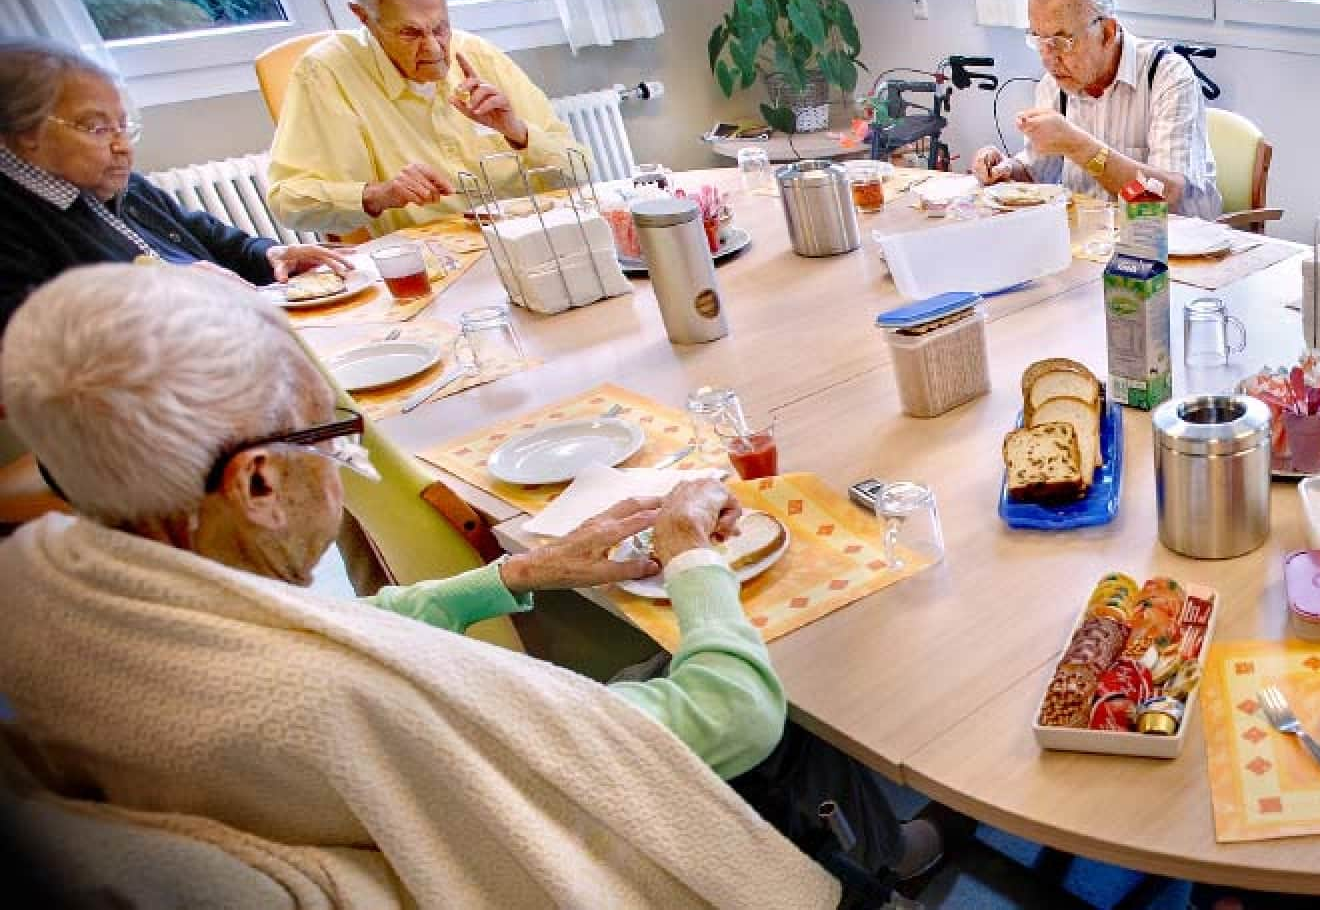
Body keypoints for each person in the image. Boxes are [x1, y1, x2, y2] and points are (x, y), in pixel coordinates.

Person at [0, 265, 935, 906]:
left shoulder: (44, 588)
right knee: (792, 727)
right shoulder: (340, 705)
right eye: (331, 436)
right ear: (255, 485)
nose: (344, 460)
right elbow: (730, 715)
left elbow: (345, 630)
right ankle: (871, 865)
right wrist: (690, 551)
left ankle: (876, 836)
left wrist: (519, 572)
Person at [0, 37, 351, 333]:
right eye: (98, 128)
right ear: (28, 131)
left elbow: (212, 237)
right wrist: (172, 291)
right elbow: (41, 353)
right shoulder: (15, 222)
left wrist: (270, 254)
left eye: (124, 126)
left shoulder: (120, 184)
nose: (123, 146)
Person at [265, 0, 582, 237]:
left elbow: (580, 170)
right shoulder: (326, 72)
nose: (433, 48)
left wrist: (518, 133)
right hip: (437, 260)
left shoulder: (476, 53)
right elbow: (288, 200)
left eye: (440, 27)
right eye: (410, 33)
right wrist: (381, 195)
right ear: (363, 16)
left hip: (529, 233)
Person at [969, 0, 1221, 220]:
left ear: (1108, 32)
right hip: (1094, 242)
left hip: (1177, 245)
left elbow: (1168, 195)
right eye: (1039, 39)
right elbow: (1037, 172)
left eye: (1062, 41)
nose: (1048, 57)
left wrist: (1079, 146)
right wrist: (1006, 169)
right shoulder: (1054, 85)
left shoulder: (1167, 76)